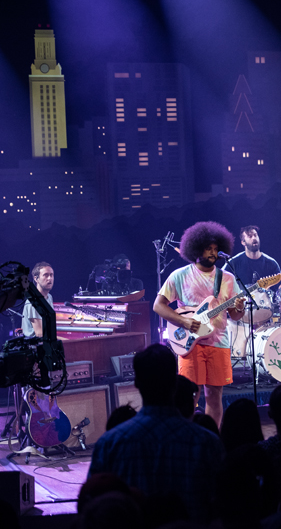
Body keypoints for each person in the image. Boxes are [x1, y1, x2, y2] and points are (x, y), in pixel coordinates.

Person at [87, 344, 225, 522]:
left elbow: (91, 506)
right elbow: (223, 508)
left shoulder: (110, 443)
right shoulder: (206, 442)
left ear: (137, 383)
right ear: (175, 382)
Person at [153, 221, 245, 428]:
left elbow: (235, 316)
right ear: (195, 249)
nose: (213, 252)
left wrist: (240, 308)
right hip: (189, 344)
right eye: (208, 248)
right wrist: (184, 321)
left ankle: (212, 436)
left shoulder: (228, 278)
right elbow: (158, 306)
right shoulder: (179, 275)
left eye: (216, 248)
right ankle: (186, 435)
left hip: (218, 343)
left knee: (214, 395)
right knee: (188, 396)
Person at [22, 261, 55, 338]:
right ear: (36, 278)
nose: (49, 278)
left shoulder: (49, 297)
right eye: (45, 275)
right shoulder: (33, 301)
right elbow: (40, 333)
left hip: (47, 340)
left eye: (51, 275)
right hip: (36, 344)